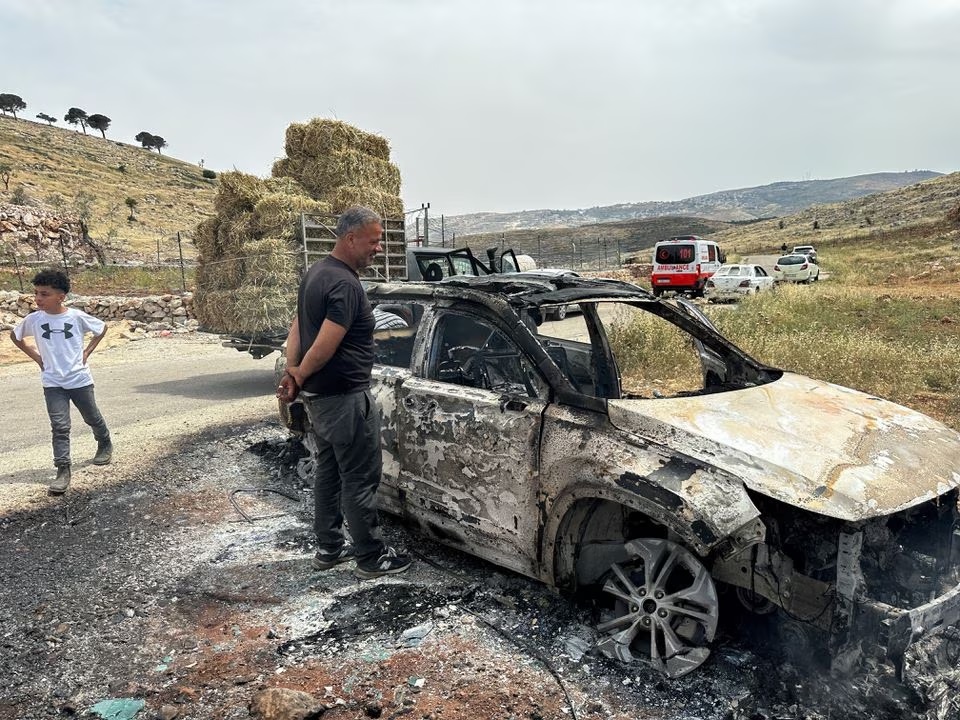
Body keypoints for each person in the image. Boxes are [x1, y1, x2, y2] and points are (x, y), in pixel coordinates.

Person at [277, 206, 411, 579]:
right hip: (344, 398)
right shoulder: (345, 284)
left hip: (321, 398)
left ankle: (329, 549)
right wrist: (300, 371)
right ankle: (371, 556)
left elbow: (297, 329)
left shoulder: (316, 274)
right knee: (360, 477)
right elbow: (325, 342)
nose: (379, 249)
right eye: (374, 241)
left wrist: (295, 375)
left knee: (330, 472)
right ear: (350, 239)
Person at [11, 269, 113, 495]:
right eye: (36, 293)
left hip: (79, 378)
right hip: (52, 381)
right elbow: (15, 336)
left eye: (44, 294)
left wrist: (87, 352)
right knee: (60, 426)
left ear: (61, 297)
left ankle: (104, 442)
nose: (38, 298)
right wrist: (37, 358)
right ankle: (63, 469)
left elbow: (102, 328)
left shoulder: (76, 317)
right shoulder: (34, 319)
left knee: (91, 416)